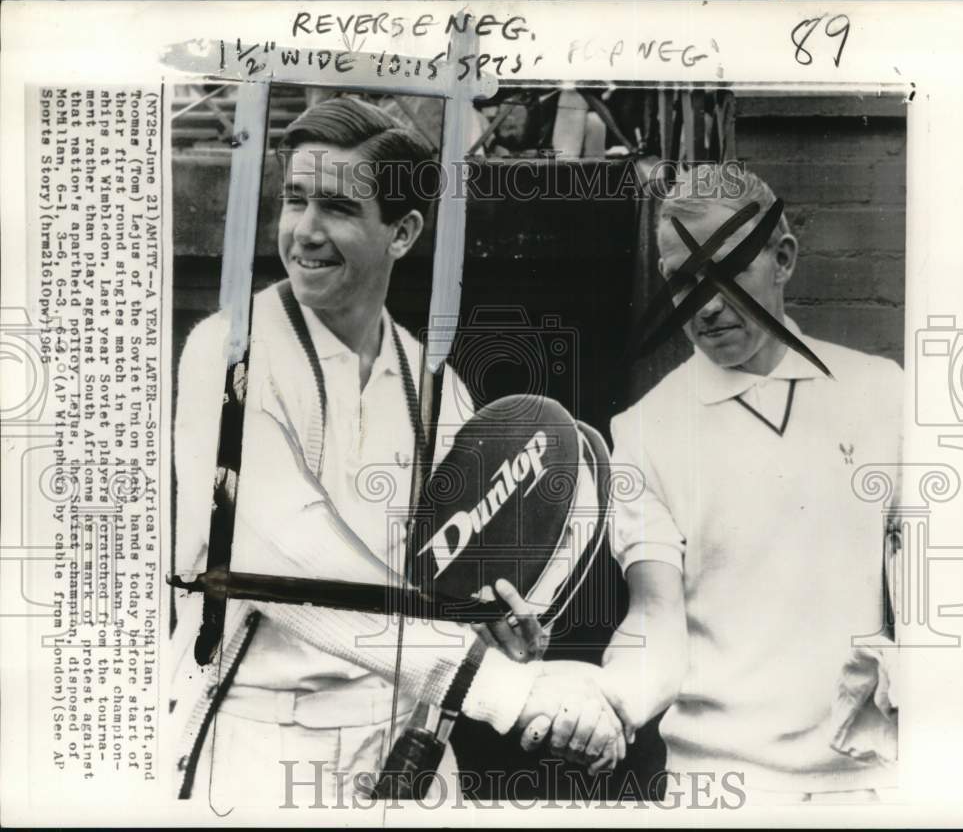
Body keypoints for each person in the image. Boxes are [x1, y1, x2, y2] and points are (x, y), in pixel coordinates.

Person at [171, 96, 628, 808]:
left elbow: (459, 580)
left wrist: (500, 624)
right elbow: (290, 563)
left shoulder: (435, 388)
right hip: (257, 745)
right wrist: (508, 689)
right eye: (295, 200)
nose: (305, 232)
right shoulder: (224, 356)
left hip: (408, 752)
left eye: (338, 208)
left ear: (404, 231)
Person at [531, 165, 902, 803]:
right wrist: (609, 701)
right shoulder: (644, 431)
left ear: (782, 259)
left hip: (868, 786)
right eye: (682, 279)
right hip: (716, 789)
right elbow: (656, 615)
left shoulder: (884, 394)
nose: (706, 304)